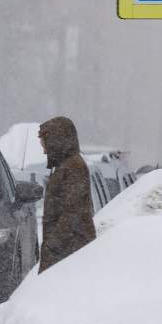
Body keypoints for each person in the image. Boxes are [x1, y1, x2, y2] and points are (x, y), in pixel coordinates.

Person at [37, 116, 96, 273]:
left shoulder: (74, 168)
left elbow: (72, 212)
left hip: (69, 253)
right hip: (65, 251)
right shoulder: (65, 167)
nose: (44, 150)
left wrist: (53, 245)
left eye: (45, 144)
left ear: (56, 141)